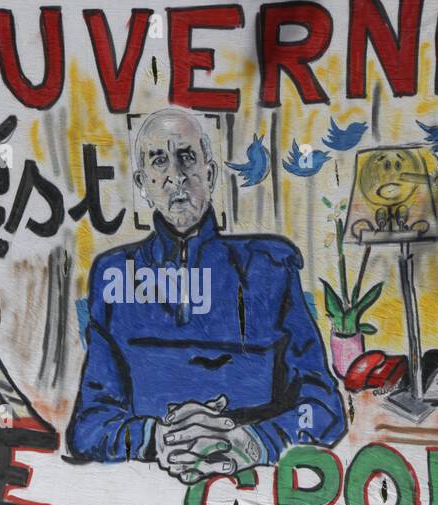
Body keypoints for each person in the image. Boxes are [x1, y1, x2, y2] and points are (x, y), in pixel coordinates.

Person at [67, 108, 346, 482]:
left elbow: (325, 408)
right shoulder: (114, 276)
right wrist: (155, 439)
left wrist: (253, 440)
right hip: (151, 487)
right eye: (159, 161)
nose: (176, 177)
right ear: (143, 183)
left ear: (210, 174)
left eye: (186, 158)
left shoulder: (270, 266)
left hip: (259, 486)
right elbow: (88, 428)